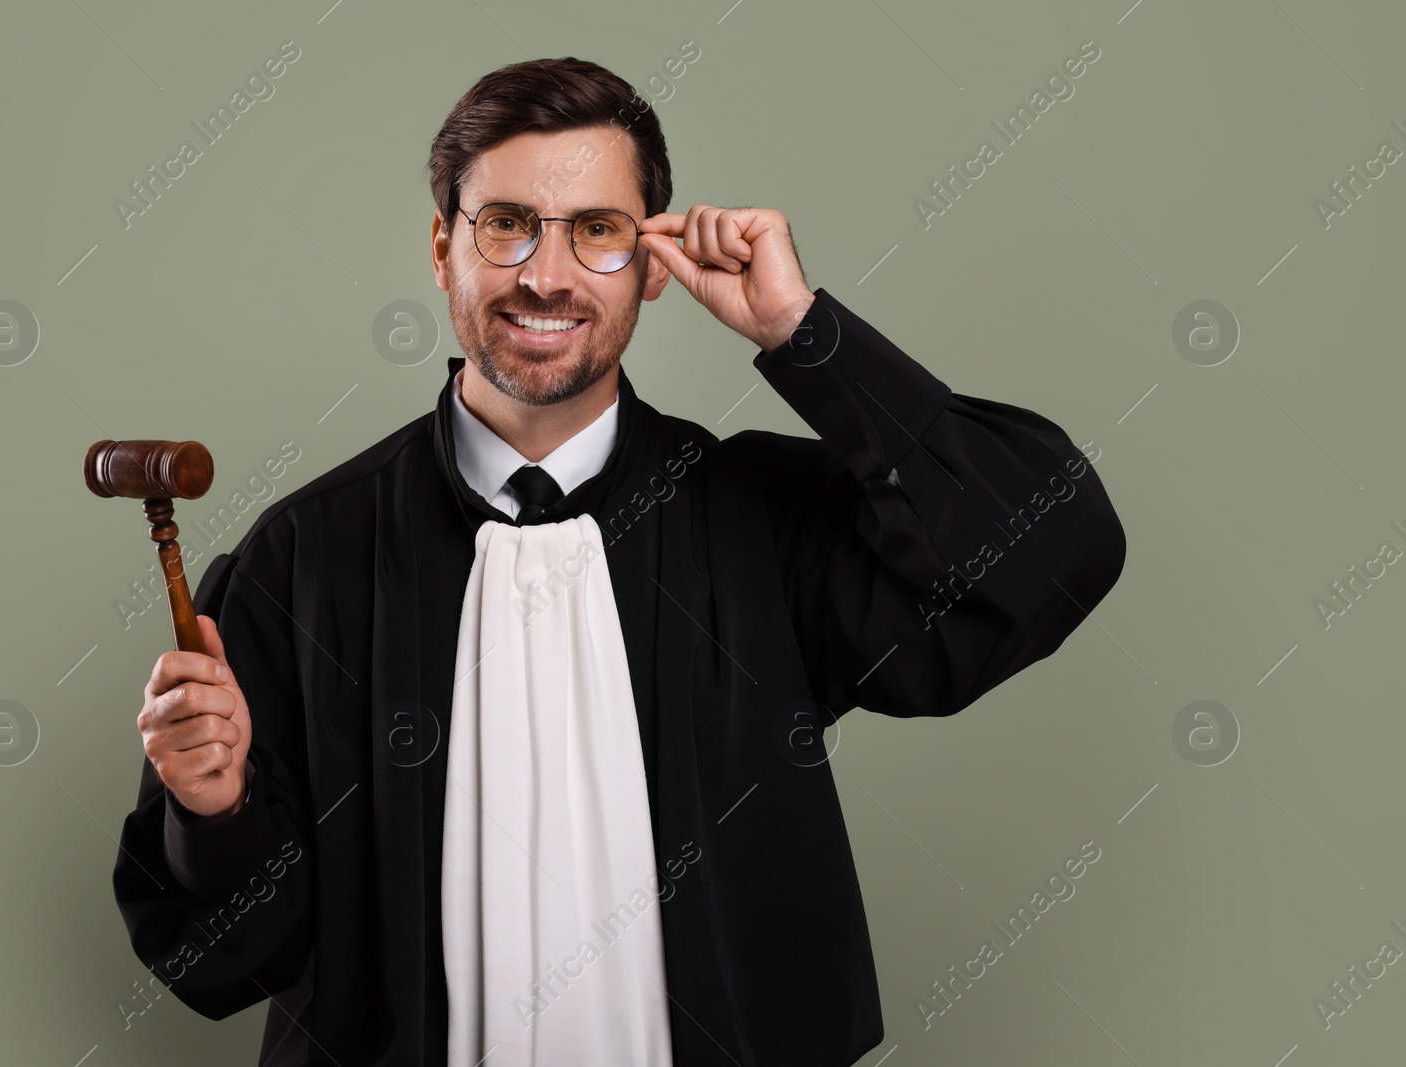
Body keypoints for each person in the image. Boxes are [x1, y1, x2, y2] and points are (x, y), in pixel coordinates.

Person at [113, 56, 1126, 1067]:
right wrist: (216, 809)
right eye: (505, 223)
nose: (544, 275)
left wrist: (803, 334)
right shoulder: (303, 557)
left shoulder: (762, 523)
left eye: (596, 231)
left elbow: (1055, 545)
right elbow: (222, 964)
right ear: (441, 249)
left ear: (651, 266)